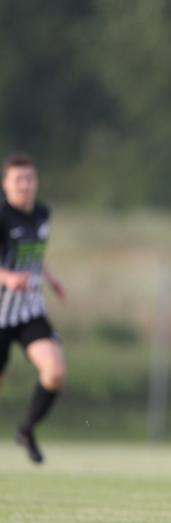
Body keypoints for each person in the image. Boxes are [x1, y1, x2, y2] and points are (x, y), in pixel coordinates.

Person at [0, 154, 66, 464]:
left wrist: (51, 279)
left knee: (54, 372)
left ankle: (26, 430)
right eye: (18, 179)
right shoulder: (2, 217)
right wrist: (8, 277)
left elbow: (35, 253)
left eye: (29, 178)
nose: (25, 185)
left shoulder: (42, 213)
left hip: (29, 312)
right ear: (6, 184)